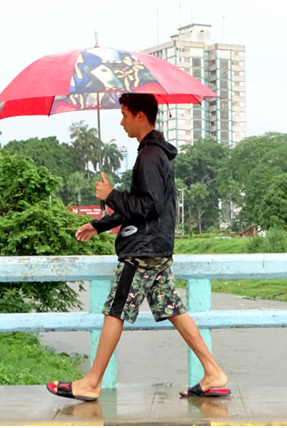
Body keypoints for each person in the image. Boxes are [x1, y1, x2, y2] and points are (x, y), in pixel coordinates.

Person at [47, 93, 229, 401]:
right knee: (172, 308)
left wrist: (110, 194)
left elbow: (148, 205)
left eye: (125, 115)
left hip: (142, 252)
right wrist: (100, 224)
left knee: (115, 310)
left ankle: (92, 382)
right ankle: (213, 372)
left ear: (141, 116)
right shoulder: (154, 154)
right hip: (156, 248)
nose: (121, 121)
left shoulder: (148, 156)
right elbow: (139, 206)